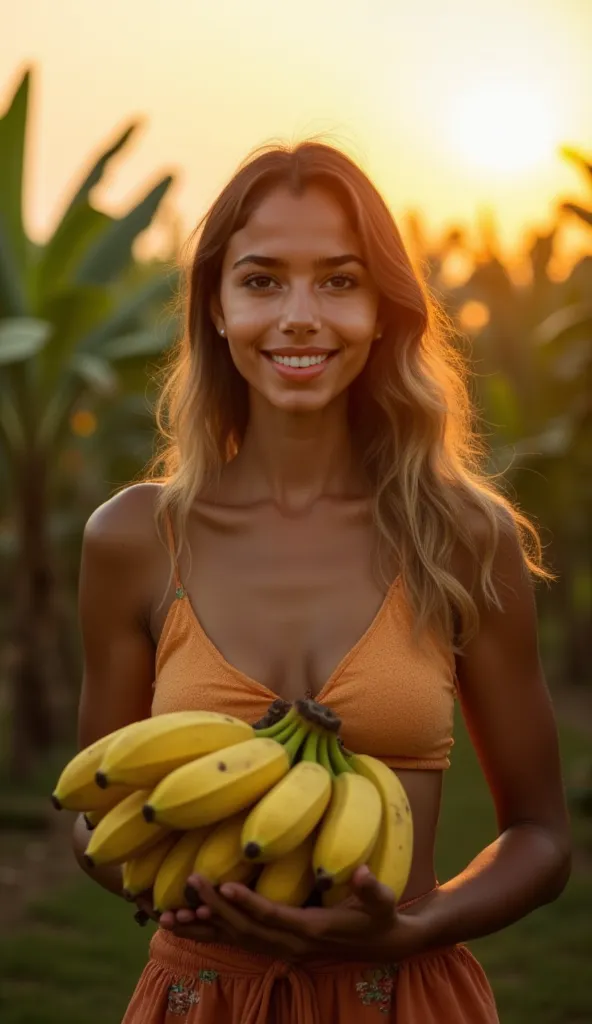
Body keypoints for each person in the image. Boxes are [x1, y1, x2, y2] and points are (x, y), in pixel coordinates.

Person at [72, 140, 571, 1023]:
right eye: (262, 281)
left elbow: (541, 837)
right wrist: (155, 875)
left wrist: (421, 926)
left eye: (339, 281)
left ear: (384, 310)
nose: (300, 315)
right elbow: (92, 805)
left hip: (403, 997)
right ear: (215, 311)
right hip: (201, 998)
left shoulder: (462, 538)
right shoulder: (134, 540)